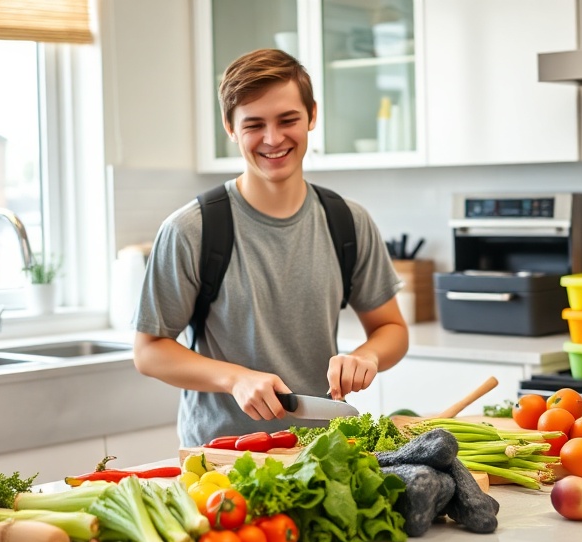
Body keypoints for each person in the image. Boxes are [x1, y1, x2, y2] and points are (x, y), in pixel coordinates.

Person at [132, 48, 408, 448]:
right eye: (254, 124)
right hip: (222, 458)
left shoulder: (348, 221)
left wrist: (367, 356)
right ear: (230, 127)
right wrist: (235, 378)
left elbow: (391, 328)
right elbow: (149, 351)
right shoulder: (190, 230)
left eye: (288, 120)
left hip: (323, 453)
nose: (273, 138)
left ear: (312, 115)